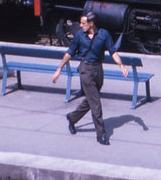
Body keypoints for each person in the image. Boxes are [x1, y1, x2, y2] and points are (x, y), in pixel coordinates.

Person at [51, 12, 128, 145]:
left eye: (83, 23)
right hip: (85, 69)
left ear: (91, 24)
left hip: (98, 70)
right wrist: (59, 69)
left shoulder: (103, 34)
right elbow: (69, 53)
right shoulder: (79, 36)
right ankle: (101, 134)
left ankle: (72, 117)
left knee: (91, 99)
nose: (80, 26)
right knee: (96, 103)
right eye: (80, 23)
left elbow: (113, 51)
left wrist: (121, 65)